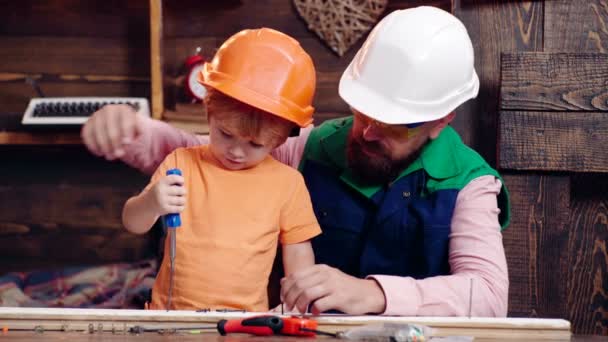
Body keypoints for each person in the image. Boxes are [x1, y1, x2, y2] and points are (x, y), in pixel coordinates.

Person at [82, 6, 510, 316]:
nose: (367, 133)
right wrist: (134, 130)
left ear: (441, 120)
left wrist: (373, 295)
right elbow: (208, 157)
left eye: (396, 126)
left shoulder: (470, 183)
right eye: (363, 112)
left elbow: (489, 296)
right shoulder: (311, 147)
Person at [120, 28, 321, 311]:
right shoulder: (181, 164)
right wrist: (152, 202)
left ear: (279, 139)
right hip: (171, 319)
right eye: (225, 134)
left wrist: (297, 304)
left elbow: (298, 252)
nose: (236, 152)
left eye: (255, 144)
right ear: (209, 112)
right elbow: (133, 221)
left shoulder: (288, 184)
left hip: (245, 325)